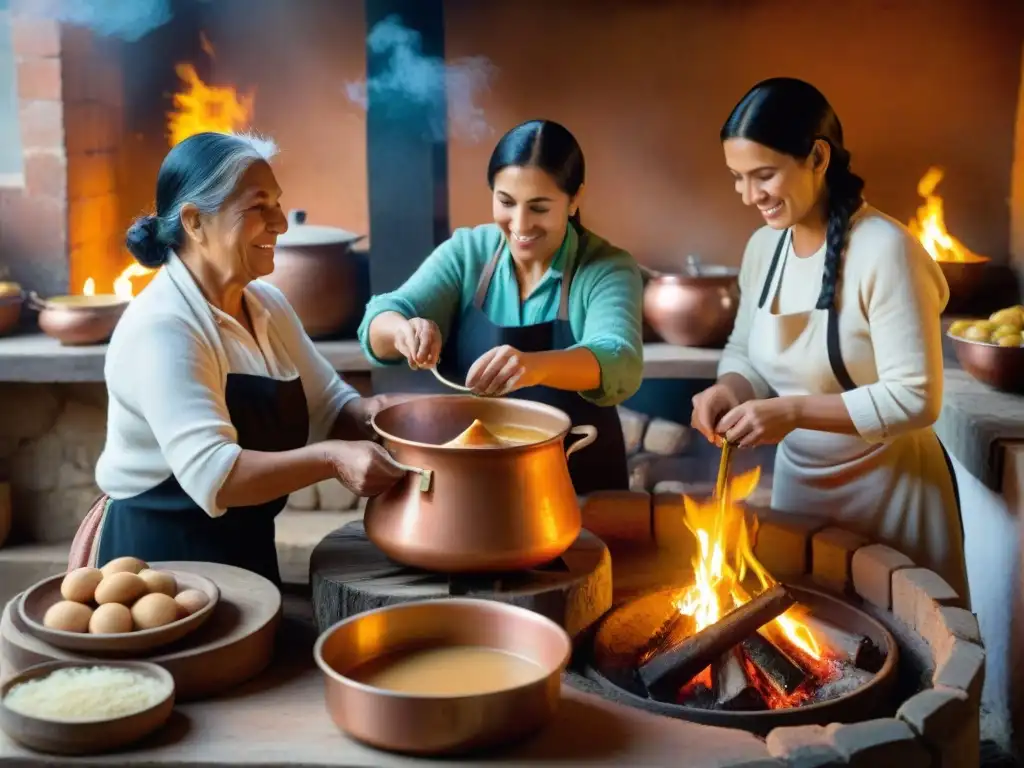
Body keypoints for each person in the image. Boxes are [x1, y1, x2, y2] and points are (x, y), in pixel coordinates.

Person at [71, 132, 406, 585]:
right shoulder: (165, 325)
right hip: (157, 568)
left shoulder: (265, 304)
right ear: (194, 221)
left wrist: (379, 417)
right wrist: (331, 459)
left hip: (243, 550)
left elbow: (329, 404)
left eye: (278, 203)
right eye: (258, 207)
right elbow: (217, 476)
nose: (281, 223)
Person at [691, 78, 967, 598]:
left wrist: (792, 412)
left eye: (764, 175)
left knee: (905, 649)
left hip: (892, 490)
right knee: (812, 649)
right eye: (737, 178)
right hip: (802, 486)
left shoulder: (886, 252)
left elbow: (916, 397)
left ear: (818, 157)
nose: (750, 196)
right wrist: (728, 389)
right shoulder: (763, 248)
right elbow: (745, 352)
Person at [357, 119, 644, 495]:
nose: (520, 224)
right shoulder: (468, 253)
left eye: (539, 207)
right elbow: (378, 321)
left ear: (575, 199)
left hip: (578, 484)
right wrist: (402, 330)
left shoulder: (606, 268)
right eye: (506, 202)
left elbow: (618, 359)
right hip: (469, 484)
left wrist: (533, 365)